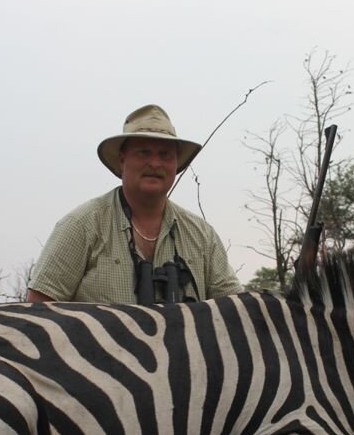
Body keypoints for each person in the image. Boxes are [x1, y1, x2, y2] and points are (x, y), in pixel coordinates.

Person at [28, 104, 243, 305]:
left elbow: (237, 308)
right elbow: (39, 306)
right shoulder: (82, 224)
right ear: (122, 159)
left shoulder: (202, 235)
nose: (155, 163)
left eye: (165, 155)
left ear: (176, 163)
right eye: (143, 152)